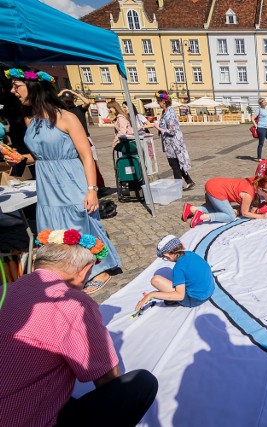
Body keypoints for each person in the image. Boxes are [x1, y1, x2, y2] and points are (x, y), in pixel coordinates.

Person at [0, 230, 158, 427]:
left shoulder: (4, 290)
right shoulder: (73, 303)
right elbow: (108, 379)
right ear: (84, 271)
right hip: (24, 420)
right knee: (140, 385)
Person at [4, 67, 121, 293]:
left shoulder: (66, 117)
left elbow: (86, 155)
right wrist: (21, 158)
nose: (12, 90)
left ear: (33, 87)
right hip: (48, 183)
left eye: (16, 86)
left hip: (70, 180)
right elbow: (41, 155)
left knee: (81, 224)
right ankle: (68, 271)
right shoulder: (31, 120)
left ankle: (100, 269)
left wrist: (92, 189)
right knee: (55, 228)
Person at [135, 235, 215, 310]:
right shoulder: (191, 254)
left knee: (155, 280)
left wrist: (152, 294)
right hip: (209, 290)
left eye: (165, 257)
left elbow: (180, 295)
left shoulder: (178, 268)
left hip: (195, 299)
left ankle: (171, 299)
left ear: (167, 254)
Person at [59, 89, 106, 194]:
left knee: (92, 162)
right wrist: (61, 93)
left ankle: (99, 185)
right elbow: (50, 103)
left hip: (85, 138)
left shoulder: (79, 109)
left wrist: (74, 93)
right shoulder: (62, 112)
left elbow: (87, 102)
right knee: (79, 164)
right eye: (66, 101)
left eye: (70, 100)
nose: (68, 103)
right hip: (71, 140)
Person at [182, 176, 267, 227]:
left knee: (219, 211)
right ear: (260, 189)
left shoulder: (256, 180)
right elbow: (245, 213)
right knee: (230, 216)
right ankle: (201, 217)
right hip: (216, 190)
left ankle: (191, 209)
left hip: (214, 183)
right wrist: (261, 216)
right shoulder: (248, 194)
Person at [153, 90, 195, 191]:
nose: (158, 103)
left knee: (174, 165)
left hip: (173, 144)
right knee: (177, 163)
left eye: (159, 101)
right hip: (169, 143)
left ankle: (177, 187)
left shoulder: (170, 113)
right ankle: (189, 181)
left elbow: (171, 131)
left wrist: (158, 128)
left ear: (164, 101)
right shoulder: (165, 112)